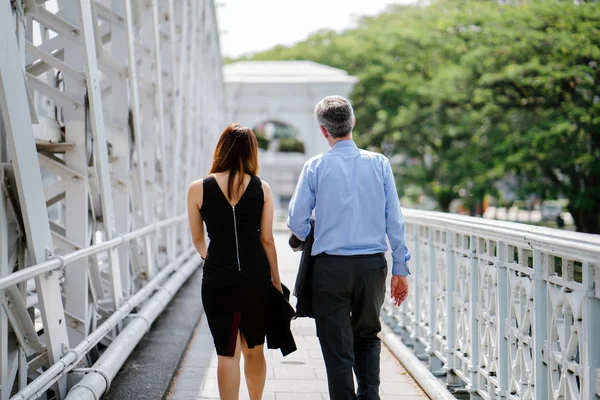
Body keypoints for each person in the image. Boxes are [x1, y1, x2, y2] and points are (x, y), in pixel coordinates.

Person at [287, 95, 411, 400]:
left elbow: (296, 220)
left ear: (323, 131)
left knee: (336, 345)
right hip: (371, 266)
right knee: (368, 336)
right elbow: (394, 220)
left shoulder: (315, 166)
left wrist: (309, 233)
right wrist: (400, 268)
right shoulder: (379, 163)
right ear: (353, 122)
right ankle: (370, 395)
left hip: (330, 269)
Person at [187, 123, 283, 400]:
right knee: (254, 348)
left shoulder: (198, 188)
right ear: (252, 152)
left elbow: (197, 239)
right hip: (255, 278)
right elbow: (267, 240)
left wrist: (213, 259)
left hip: (218, 279)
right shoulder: (261, 189)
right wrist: (275, 280)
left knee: (227, 352)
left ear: (221, 149)